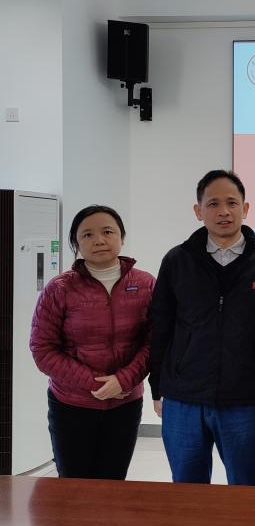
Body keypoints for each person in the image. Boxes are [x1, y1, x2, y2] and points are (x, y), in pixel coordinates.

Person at [148, 170, 255, 485]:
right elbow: (160, 326)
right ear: (199, 211)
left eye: (232, 203)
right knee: (187, 490)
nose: (224, 211)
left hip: (246, 399)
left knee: (247, 490)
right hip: (183, 398)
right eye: (213, 204)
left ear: (245, 209)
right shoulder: (177, 260)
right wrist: (157, 386)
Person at [30, 205, 154, 479]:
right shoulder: (59, 289)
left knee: (113, 481)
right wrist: (95, 383)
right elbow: (43, 349)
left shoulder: (146, 284)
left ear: (122, 237)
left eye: (107, 232)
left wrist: (123, 380)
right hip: (71, 405)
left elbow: (155, 342)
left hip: (125, 403)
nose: (99, 240)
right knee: (73, 485)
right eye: (87, 234)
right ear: (76, 244)